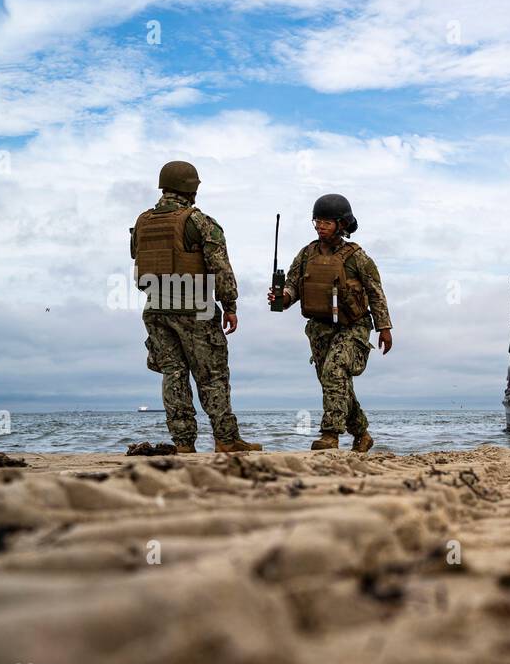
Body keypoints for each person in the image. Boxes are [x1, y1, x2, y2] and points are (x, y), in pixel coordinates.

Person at [131, 160, 261, 453]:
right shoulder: (200, 222)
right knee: (212, 375)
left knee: (173, 374)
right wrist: (230, 305)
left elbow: (137, 257)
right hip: (196, 308)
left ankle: (183, 444)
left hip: (155, 308)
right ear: (191, 188)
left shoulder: (143, 221)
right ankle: (226, 440)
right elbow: (221, 268)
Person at [269, 194, 392, 452]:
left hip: (353, 327)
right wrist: (283, 296)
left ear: (342, 224)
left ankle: (330, 435)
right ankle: (361, 433)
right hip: (320, 329)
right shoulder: (306, 254)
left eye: (326, 222)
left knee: (334, 372)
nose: (320, 227)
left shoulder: (357, 256)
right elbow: (293, 286)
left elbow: (375, 292)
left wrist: (384, 328)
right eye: (317, 221)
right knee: (334, 382)